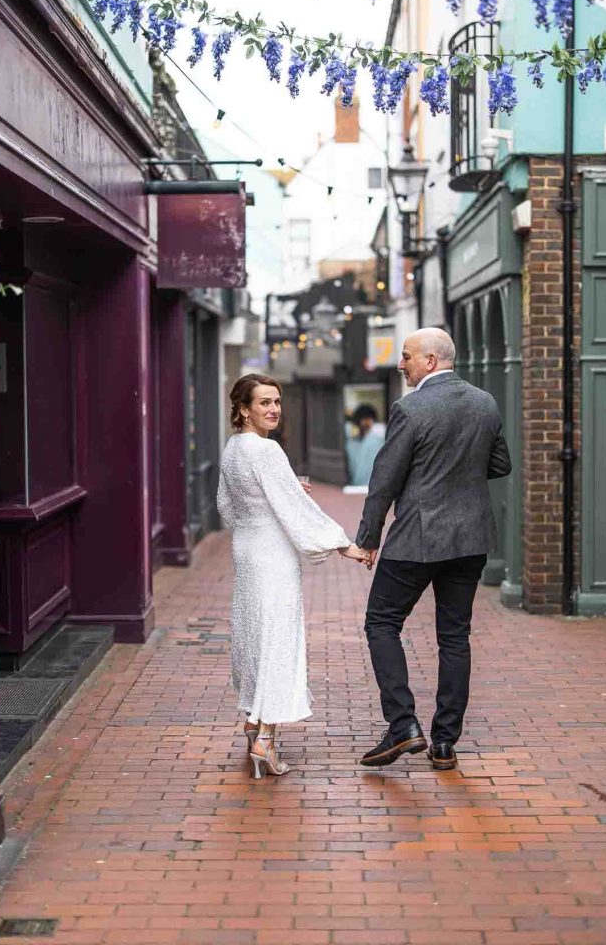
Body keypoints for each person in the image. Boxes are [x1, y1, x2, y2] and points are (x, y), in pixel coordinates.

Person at [355, 328, 512, 771]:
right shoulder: (485, 402)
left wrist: (368, 539)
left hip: (419, 538)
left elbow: (383, 480)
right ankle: (445, 743)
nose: (401, 363)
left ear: (429, 359)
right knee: (454, 636)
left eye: (406, 356)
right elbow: (501, 463)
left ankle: (403, 725)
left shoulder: (410, 408)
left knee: (381, 622)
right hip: (471, 539)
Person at [217, 373, 370, 779]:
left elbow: (227, 507)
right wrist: (343, 544)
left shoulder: (233, 449)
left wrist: (277, 498)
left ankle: (254, 721)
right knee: (277, 638)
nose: (274, 409)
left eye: (277, 402)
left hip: (247, 551)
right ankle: (265, 738)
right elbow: (292, 510)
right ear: (243, 408)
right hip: (271, 555)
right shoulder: (266, 451)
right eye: (264, 402)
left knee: (253, 634)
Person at [345, 404, 386, 486]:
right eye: (364, 419)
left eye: (369, 419)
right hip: (355, 485)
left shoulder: (378, 440)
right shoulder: (350, 444)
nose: (367, 422)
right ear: (358, 421)